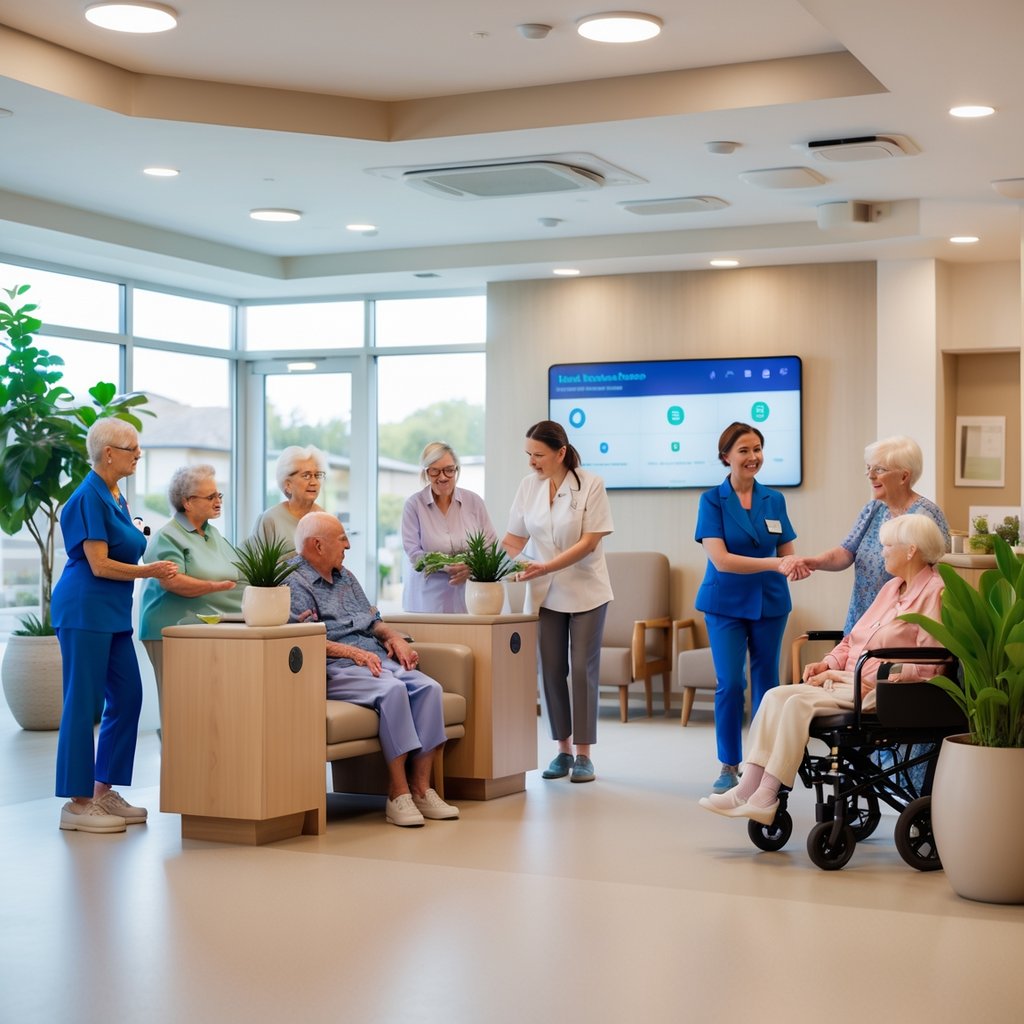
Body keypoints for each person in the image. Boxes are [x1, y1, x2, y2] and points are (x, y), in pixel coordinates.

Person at [699, 514, 946, 825]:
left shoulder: (934, 592)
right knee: (774, 696)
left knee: (798, 703)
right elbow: (853, 637)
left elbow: (931, 663)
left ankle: (767, 794)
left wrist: (850, 675)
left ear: (911, 550)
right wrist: (828, 663)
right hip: (850, 680)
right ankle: (747, 787)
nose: (882, 552)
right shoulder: (891, 588)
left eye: (887, 546)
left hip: (883, 691)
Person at [286, 511, 459, 828]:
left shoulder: (345, 577)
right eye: (341, 539)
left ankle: (422, 788)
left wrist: (395, 638)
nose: (348, 545)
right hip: (334, 666)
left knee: (428, 688)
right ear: (317, 545)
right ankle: (398, 793)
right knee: (392, 690)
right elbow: (303, 640)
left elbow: (373, 621)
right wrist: (352, 652)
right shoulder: (293, 583)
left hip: (373, 658)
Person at [51, 420, 179, 833]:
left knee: (127, 695)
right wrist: (149, 571)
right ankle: (77, 802)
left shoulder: (115, 496)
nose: (138, 454)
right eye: (132, 448)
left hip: (112, 614)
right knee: (83, 702)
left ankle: (103, 790)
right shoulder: (89, 495)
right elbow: (99, 564)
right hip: (84, 609)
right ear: (108, 453)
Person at [502, 420, 614, 784]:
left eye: (539, 455)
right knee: (550, 670)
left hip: (587, 591)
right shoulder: (527, 487)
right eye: (528, 455)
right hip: (545, 593)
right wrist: (488, 563)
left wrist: (545, 565)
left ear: (561, 453)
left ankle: (584, 755)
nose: (532, 462)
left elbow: (589, 542)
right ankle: (563, 751)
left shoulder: (590, 484)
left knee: (582, 669)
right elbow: (513, 541)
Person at [695, 422, 798, 795]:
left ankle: (763, 764)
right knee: (731, 683)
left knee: (768, 686)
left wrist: (796, 565)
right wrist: (776, 565)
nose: (753, 457)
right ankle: (729, 763)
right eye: (743, 450)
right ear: (726, 456)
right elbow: (721, 560)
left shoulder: (775, 499)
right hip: (724, 602)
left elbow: (787, 550)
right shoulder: (711, 500)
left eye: (757, 449)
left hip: (770, 602)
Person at [779, 436, 949, 633]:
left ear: (904, 476)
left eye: (879, 469)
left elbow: (937, 574)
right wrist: (812, 562)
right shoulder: (873, 509)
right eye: (869, 468)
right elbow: (845, 552)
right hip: (862, 617)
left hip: (899, 627)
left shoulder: (926, 516)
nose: (870, 475)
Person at [139, 464, 243, 722]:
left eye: (219, 495)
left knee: (207, 711)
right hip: (172, 630)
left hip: (212, 627)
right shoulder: (168, 536)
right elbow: (172, 582)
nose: (218, 502)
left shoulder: (212, 533)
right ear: (187, 502)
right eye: (210, 497)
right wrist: (216, 587)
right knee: (180, 711)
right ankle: (176, 763)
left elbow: (239, 572)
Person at [401, 441, 497, 612]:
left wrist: (471, 566)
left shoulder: (474, 502)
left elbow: (490, 546)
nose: (443, 477)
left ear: (456, 470)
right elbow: (413, 553)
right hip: (427, 597)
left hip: (470, 593)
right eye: (435, 471)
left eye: (449, 470)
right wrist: (447, 566)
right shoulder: (414, 505)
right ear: (426, 472)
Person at [250, 444, 328, 558]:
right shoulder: (270, 519)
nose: (314, 482)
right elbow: (257, 568)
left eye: (317, 475)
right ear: (288, 485)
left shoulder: (325, 518)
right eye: (306, 475)